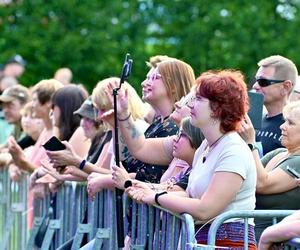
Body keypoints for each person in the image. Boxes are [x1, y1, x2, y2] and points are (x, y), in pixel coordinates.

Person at [126, 70, 257, 249]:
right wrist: (148, 189)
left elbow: (205, 209)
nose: (191, 105)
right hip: (203, 242)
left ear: (218, 108)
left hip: (226, 244)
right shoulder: (205, 147)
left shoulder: (233, 150)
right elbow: (189, 195)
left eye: (198, 99)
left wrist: (155, 197)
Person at [239, 100, 300, 241]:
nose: (282, 126)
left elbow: (261, 184)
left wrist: (250, 143)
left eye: (290, 123)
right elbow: (245, 177)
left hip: (267, 241)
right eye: (284, 121)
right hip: (250, 236)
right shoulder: (278, 153)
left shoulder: (298, 161)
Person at [253, 55, 298, 155]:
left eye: (262, 82)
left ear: (286, 86)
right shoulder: (254, 120)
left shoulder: (294, 126)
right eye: (256, 80)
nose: (255, 86)